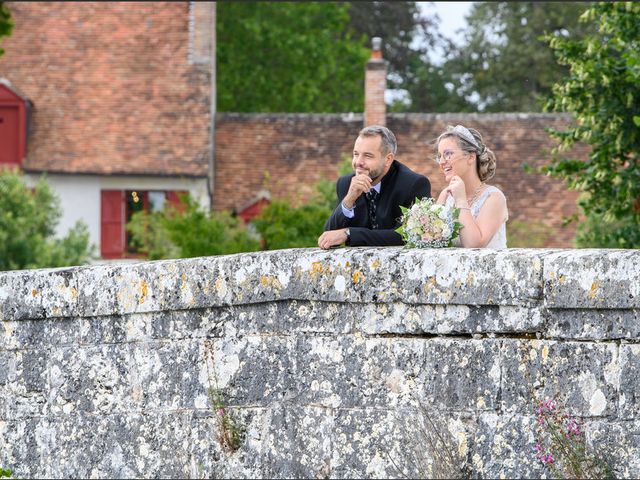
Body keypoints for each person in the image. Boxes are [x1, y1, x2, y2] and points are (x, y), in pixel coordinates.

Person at [318, 125, 431, 248]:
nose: (358, 162)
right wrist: (349, 199)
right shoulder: (346, 184)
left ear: (388, 159)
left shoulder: (414, 184)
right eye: (356, 154)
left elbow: (407, 234)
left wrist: (349, 234)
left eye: (367, 156)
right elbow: (329, 237)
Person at [435, 124, 508, 248]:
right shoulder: (445, 195)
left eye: (448, 154)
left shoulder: (494, 198)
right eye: (439, 156)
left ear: (471, 157)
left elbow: (474, 245)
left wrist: (460, 200)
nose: (442, 162)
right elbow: (432, 242)